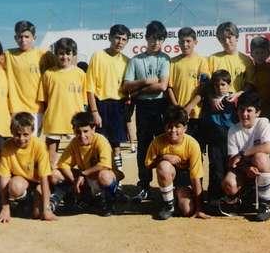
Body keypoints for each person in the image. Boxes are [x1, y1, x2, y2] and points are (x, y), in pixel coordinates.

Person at [0, 21, 55, 135]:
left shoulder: (44, 55)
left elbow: (61, 68)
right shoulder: (8, 55)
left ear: (34, 37)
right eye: (20, 37)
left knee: (31, 141)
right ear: (15, 38)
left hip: (36, 108)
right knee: (16, 140)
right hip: (15, 108)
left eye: (27, 36)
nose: (23, 40)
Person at [122, 20, 170, 202]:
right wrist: (145, 82)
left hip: (161, 106)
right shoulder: (136, 60)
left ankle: (166, 185)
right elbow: (126, 86)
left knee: (164, 145)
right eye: (152, 38)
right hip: (143, 107)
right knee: (144, 147)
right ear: (146, 38)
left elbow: (162, 86)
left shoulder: (165, 59)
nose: (156, 42)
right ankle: (144, 185)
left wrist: (138, 90)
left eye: (160, 39)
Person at [86, 24, 131, 186]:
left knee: (116, 146)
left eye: (124, 39)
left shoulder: (127, 61)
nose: (120, 42)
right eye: (117, 38)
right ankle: (96, 185)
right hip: (101, 105)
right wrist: (94, 111)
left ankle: (117, 182)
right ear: (110, 37)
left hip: (118, 106)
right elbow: (89, 88)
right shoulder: (97, 56)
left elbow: (128, 87)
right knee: (98, 145)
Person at [145, 106, 209, 220]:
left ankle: (175, 194)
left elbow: (196, 177)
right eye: (169, 126)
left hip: (185, 179)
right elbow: (148, 164)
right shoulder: (157, 141)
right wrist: (163, 157)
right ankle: (168, 205)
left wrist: (199, 208)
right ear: (164, 127)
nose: (173, 130)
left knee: (187, 210)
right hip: (169, 174)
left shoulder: (192, 144)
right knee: (164, 166)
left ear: (185, 128)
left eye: (177, 126)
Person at [37, 37, 87, 179]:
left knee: (80, 156)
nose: (64, 57)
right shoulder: (48, 74)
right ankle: (54, 183)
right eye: (61, 53)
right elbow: (43, 101)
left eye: (68, 53)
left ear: (73, 54)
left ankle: (79, 183)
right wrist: (41, 122)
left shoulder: (80, 74)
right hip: (54, 120)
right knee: (51, 158)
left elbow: (84, 101)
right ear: (56, 54)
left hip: (75, 122)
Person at [52, 112, 119, 216]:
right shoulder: (75, 142)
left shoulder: (101, 140)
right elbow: (63, 164)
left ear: (93, 129)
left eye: (86, 131)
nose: (82, 136)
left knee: (104, 175)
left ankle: (109, 202)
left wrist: (83, 174)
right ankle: (71, 199)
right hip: (86, 179)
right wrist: (74, 181)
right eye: (78, 132)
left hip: (101, 178)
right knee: (55, 174)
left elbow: (104, 165)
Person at [221, 91, 270, 221]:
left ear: (257, 112)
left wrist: (243, 153)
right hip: (244, 169)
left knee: (260, 157)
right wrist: (246, 168)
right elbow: (232, 161)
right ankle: (239, 200)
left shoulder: (263, 123)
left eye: (249, 110)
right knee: (229, 183)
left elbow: (268, 147)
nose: (244, 114)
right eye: (241, 110)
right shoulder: (233, 129)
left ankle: (265, 205)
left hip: (264, 167)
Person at [0, 112, 57, 222]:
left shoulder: (39, 146)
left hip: (38, 182)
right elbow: (4, 178)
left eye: (25, 135)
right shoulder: (6, 146)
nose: (21, 138)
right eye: (17, 134)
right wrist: (5, 208)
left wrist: (46, 209)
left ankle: (43, 199)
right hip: (22, 180)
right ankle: (24, 200)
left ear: (32, 132)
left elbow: (44, 179)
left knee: (37, 214)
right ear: (11, 131)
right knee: (15, 186)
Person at [167, 27, 209, 145]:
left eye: (188, 41)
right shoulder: (173, 62)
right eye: (182, 41)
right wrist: (178, 109)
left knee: (196, 147)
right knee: (178, 148)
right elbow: (169, 87)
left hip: (195, 114)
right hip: (178, 115)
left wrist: (189, 107)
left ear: (195, 42)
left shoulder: (201, 61)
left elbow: (203, 87)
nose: (185, 44)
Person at [200, 69, 236, 205]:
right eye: (216, 85)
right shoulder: (209, 101)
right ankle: (214, 199)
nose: (220, 88)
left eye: (223, 84)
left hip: (230, 141)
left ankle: (230, 197)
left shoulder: (234, 100)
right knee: (216, 169)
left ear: (229, 85)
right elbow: (203, 78)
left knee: (230, 168)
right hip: (214, 141)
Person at [207, 22, 255, 105]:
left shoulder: (246, 60)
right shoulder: (212, 59)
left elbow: (250, 84)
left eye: (229, 37)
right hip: (218, 105)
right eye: (222, 38)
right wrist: (212, 98)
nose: (226, 41)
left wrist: (237, 94)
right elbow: (207, 84)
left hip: (239, 105)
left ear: (236, 37)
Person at [250, 36, 270, 118]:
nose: (260, 56)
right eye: (257, 53)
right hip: (254, 109)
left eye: (262, 52)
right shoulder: (249, 69)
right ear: (251, 54)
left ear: (268, 53)